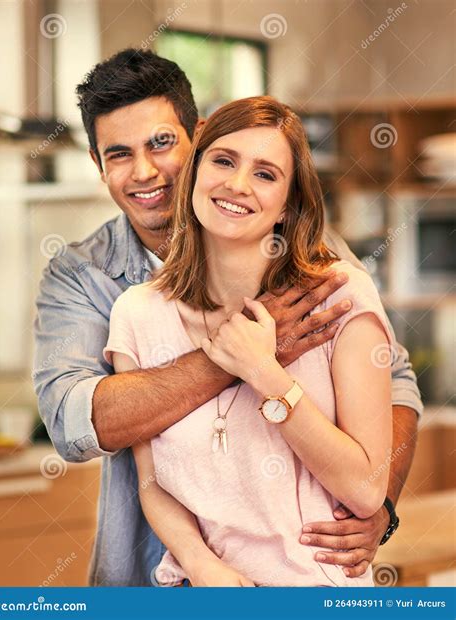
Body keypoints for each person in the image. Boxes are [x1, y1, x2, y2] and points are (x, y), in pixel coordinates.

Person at [33, 49, 422, 587]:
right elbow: (77, 423)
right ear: (99, 168)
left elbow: (393, 381)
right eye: (119, 154)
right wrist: (239, 357)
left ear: (196, 138)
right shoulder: (90, 280)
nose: (145, 171)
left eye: (162, 143)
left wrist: (377, 506)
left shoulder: (314, 260)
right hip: (157, 580)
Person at [103, 96, 393, 587]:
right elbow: (151, 482)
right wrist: (200, 563)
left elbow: (366, 490)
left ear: (287, 206)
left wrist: (263, 372)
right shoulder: (138, 313)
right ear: (194, 173)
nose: (237, 184)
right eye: (223, 161)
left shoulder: (338, 295)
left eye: (265, 174)